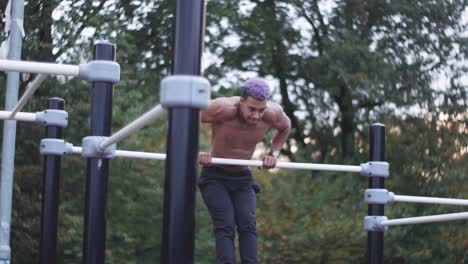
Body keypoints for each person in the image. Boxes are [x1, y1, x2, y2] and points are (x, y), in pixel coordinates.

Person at [198, 78, 291, 264]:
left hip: (242, 177)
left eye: (261, 109)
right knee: (225, 225)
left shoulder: (272, 114)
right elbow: (187, 117)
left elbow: (285, 127)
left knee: (248, 225)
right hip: (215, 175)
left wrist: (273, 153)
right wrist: (196, 151)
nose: (257, 115)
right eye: (252, 109)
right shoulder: (222, 108)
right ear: (242, 101)